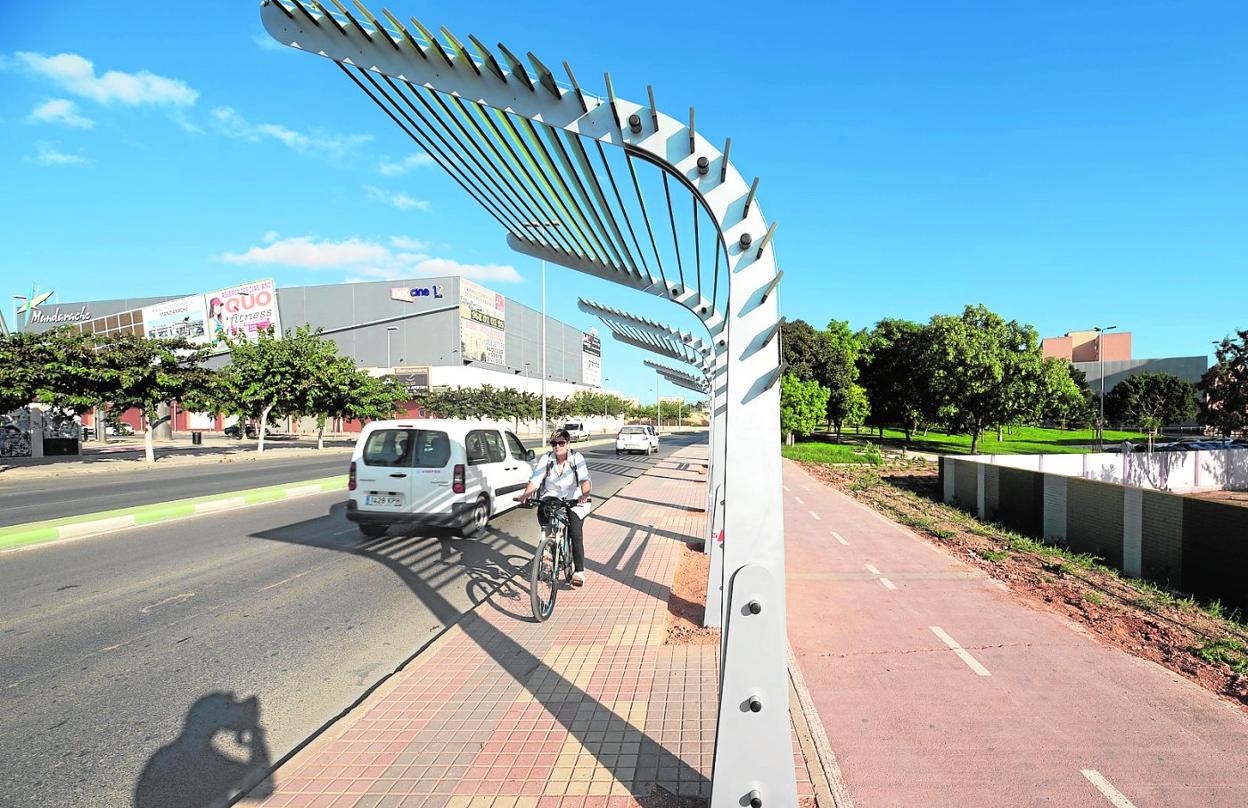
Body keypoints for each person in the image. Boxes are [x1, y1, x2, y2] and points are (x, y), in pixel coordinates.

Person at [517, 428, 592, 587]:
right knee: (543, 511)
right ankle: (547, 545)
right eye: (554, 443)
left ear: (568, 443)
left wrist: (584, 494)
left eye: (561, 443)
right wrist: (525, 495)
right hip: (553, 496)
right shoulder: (547, 458)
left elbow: (584, 480)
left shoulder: (576, 458)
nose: (557, 446)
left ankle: (579, 571)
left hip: (574, 498)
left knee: (575, 532)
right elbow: (535, 480)